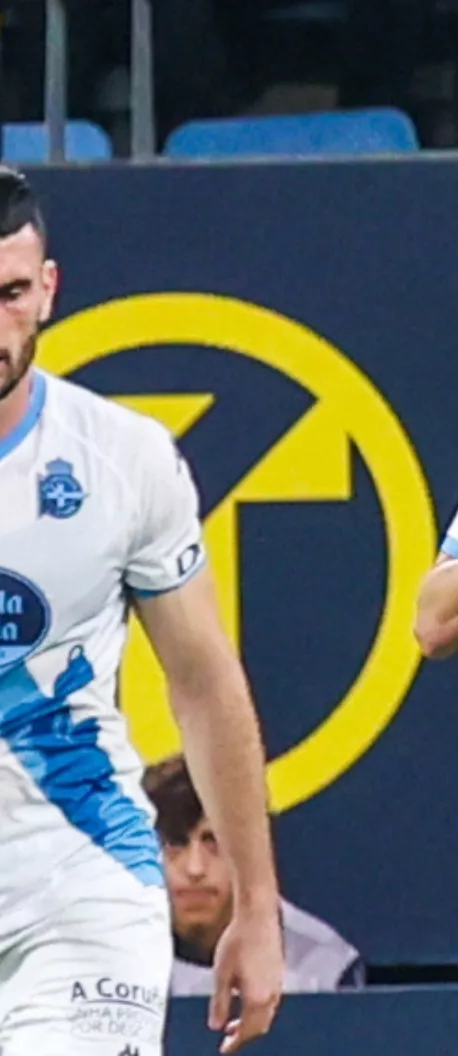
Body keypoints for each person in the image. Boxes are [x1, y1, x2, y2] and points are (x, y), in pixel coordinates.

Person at [0, 166, 283, 1054]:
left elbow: (203, 683)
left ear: (48, 289)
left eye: (9, 292)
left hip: (78, 881)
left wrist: (259, 904)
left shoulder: (122, 459)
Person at [143, 757, 365, 997]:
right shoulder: (107, 954)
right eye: (175, 844)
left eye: (214, 841)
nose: (195, 868)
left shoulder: (322, 967)